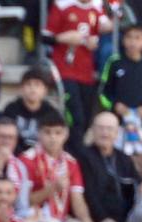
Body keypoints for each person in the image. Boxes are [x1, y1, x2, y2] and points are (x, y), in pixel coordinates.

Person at [77, 111, 139, 222]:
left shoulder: (124, 158)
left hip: (124, 219)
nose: (105, 133)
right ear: (93, 130)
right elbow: (88, 192)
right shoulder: (83, 156)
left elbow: (137, 185)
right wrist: (103, 219)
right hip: (97, 218)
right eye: (101, 128)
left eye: (109, 129)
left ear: (117, 133)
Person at [99, 23, 142, 173]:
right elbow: (102, 92)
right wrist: (115, 106)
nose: (133, 42)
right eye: (129, 37)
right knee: (119, 161)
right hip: (118, 124)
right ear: (123, 40)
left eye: (138, 38)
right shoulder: (114, 62)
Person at [44, 0, 109, 135]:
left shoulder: (96, 6)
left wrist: (96, 39)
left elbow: (105, 26)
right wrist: (62, 38)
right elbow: (45, 36)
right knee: (75, 117)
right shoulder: (62, 5)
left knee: (85, 120)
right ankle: (71, 150)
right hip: (65, 70)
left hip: (86, 72)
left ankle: (76, 151)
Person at [0, 67, 62, 154]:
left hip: (42, 155)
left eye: (37, 85)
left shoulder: (51, 112)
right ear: (21, 89)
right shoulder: (11, 109)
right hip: (15, 154)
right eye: (28, 84)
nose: (33, 89)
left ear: (45, 90)